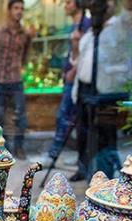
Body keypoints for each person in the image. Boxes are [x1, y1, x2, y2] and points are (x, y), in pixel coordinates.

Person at [70, 0, 132, 181]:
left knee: (105, 136)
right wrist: (75, 46)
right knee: (83, 135)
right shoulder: (89, 33)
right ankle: (83, 169)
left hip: (106, 93)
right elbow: (77, 62)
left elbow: (131, 9)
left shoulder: (121, 25)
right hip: (84, 90)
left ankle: (103, 178)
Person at [33, 0, 90, 167]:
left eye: (68, 2)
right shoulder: (75, 25)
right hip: (71, 77)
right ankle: (80, 159)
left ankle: (53, 155)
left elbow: (86, 53)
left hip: (77, 79)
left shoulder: (85, 24)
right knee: (69, 118)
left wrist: (73, 71)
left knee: (64, 116)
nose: (65, 5)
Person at [0, 0, 32, 160]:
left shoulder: (25, 34)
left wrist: (16, 67)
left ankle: (19, 147)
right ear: (9, 10)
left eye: (22, 9)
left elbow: (25, 56)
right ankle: (1, 149)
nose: (19, 11)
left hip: (15, 80)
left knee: (20, 116)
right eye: (16, 8)